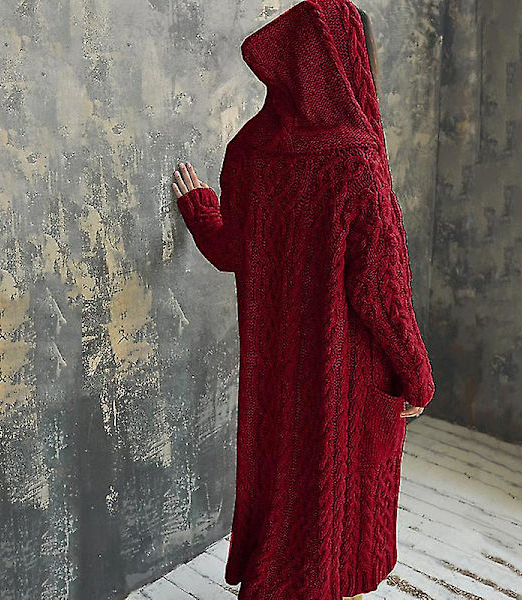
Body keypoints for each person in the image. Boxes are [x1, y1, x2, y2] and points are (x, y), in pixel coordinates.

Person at [171, 1, 435, 598]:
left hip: (278, 378)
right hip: (349, 378)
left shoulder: (249, 151)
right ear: (348, 59)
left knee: (285, 487)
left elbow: (232, 251)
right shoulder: (358, 161)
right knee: (339, 501)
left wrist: (200, 209)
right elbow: (383, 290)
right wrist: (417, 378)